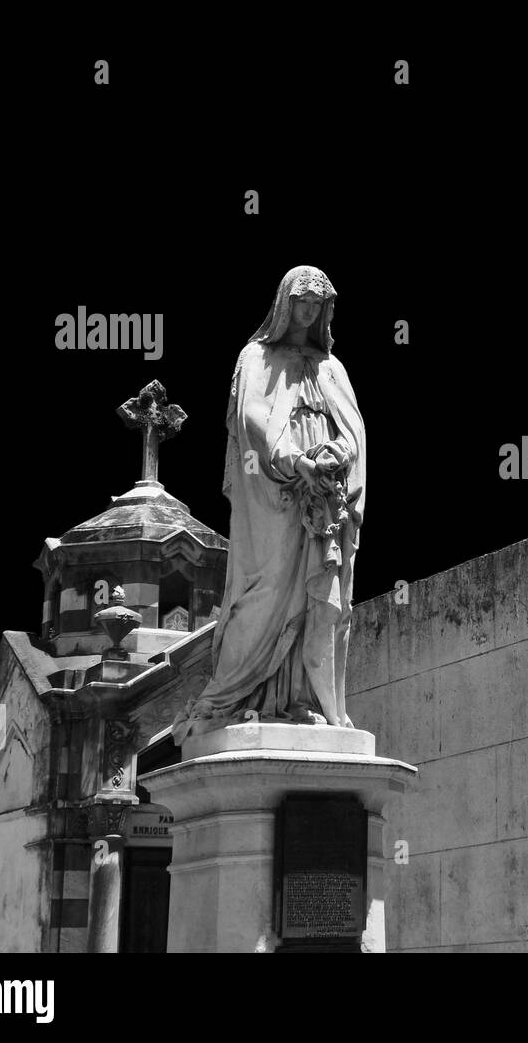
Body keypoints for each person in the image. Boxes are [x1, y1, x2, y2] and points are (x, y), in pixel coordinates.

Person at [172, 266, 366, 744]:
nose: (309, 310)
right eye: (302, 301)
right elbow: (251, 416)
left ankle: (301, 700)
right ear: (284, 303)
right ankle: (233, 697)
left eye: (318, 304)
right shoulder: (256, 356)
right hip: (276, 492)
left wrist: (338, 454)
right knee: (269, 586)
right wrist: (292, 458)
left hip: (325, 498)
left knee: (319, 593)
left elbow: (356, 430)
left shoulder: (331, 369)